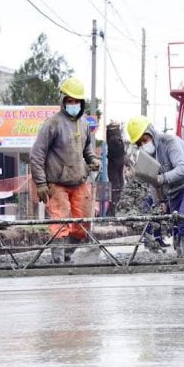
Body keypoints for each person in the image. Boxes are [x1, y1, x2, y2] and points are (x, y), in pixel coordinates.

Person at [30, 77, 101, 264]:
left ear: (81, 103)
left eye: (76, 101)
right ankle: (58, 259)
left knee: (83, 222)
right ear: (63, 100)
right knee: (60, 220)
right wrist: (40, 183)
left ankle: (68, 254)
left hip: (79, 181)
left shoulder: (85, 124)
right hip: (56, 183)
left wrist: (92, 160)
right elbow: (37, 154)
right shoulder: (52, 124)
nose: (73, 104)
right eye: (69, 101)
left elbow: (87, 150)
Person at [126, 116, 184, 257]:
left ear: (151, 133)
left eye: (145, 139)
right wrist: (160, 202)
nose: (143, 144)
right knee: (175, 219)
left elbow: (182, 169)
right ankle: (180, 252)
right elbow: (153, 181)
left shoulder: (169, 142)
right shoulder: (147, 155)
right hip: (176, 187)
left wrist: (162, 178)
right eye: (140, 142)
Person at [106, 122, 125, 216]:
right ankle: (117, 209)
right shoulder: (119, 140)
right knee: (119, 185)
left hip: (114, 163)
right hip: (119, 162)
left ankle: (114, 211)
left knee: (115, 186)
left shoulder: (112, 140)